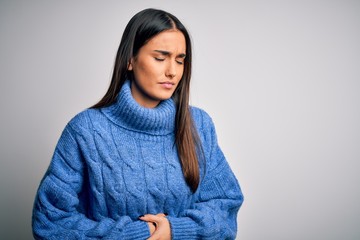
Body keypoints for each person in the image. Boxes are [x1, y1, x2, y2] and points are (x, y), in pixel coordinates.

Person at [32, 8, 244, 240]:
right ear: (130, 60)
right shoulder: (85, 131)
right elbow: (50, 222)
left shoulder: (199, 125)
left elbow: (225, 206)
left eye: (180, 60)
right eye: (160, 58)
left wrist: (175, 230)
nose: (172, 71)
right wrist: (139, 233)